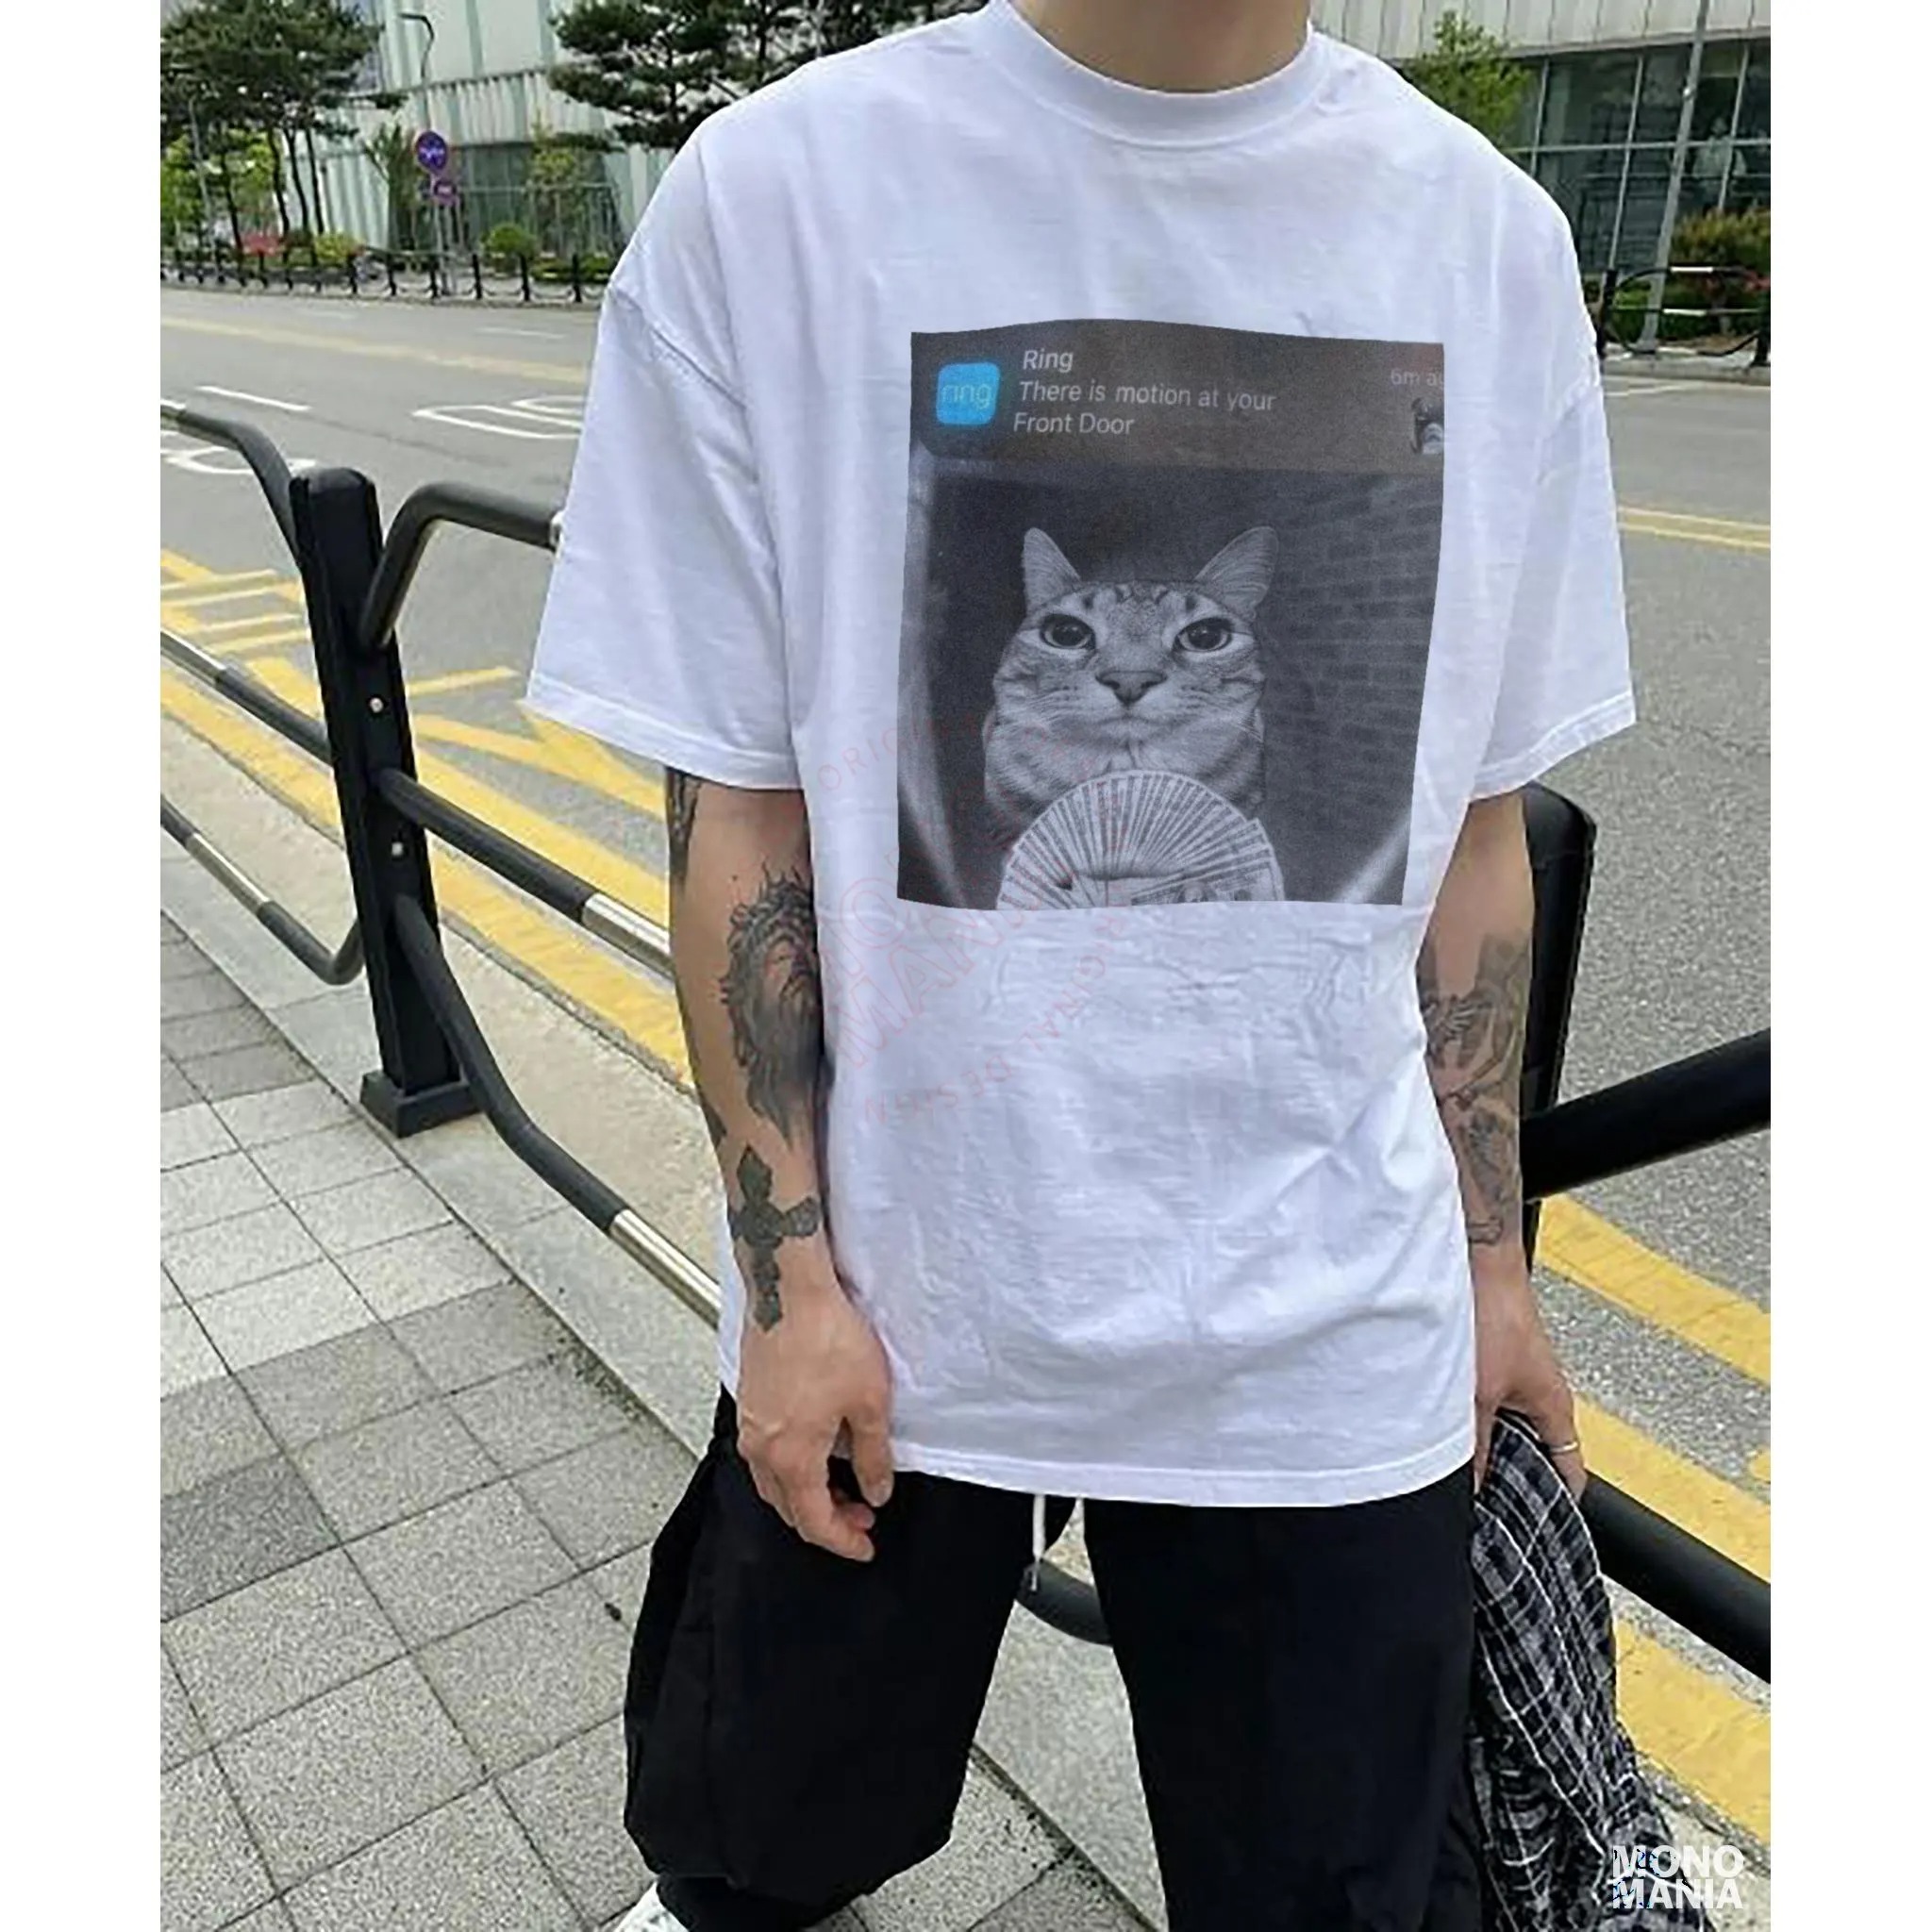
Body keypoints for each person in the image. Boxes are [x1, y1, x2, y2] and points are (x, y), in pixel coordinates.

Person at [525, 3, 1633, 1927]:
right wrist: (789, 1287)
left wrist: (1489, 1265)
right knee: (759, 1829)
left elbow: (1475, 835)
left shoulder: (1490, 239)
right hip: (905, 1295)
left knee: (1330, 1894)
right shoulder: (776, 195)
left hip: (1327, 1317)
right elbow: (742, 811)